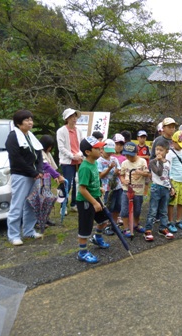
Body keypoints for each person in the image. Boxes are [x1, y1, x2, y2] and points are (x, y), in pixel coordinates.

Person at [5, 110, 44, 246]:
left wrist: (39, 170)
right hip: (21, 175)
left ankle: (29, 231)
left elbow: (39, 155)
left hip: (34, 175)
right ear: (18, 122)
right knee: (17, 205)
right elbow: (16, 159)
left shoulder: (31, 136)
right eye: (26, 120)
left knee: (32, 204)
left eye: (31, 119)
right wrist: (33, 172)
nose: (30, 122)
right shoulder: (13, 137)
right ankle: (14, 235)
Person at [76, 136, 110, 264]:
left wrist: (99, 187)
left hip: (95, 197)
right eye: (97, 148)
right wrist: (94, 202)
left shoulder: (95, 163)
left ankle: (97, 237)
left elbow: (94, 180)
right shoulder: (85, 168)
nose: (101, 150)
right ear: (88, 152)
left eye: (101, 147)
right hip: (86, 201)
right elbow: (82, 189)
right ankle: (82, 252)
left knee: (104, 220)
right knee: (86, 227)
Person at [144, 139, 175, 241]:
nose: (158, 152)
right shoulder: (153, 162)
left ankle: (163, 228)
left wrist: (172, 187)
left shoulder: (168, 162)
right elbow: (159, 173)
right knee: (153, 210)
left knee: (163, 210)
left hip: (165, 189)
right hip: (156, 188)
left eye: (161, 150)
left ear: (167, 151)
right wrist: (160, 162)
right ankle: (148, 230)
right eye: (157, 150)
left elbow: (167, 176)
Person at [57, 108, 84, 213]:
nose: (74, 119)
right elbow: (61, 147)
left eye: (75, 116)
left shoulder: (79, 130)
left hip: (79, 159)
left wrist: (79, 154)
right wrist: (73, 156)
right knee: (67, 183)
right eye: (72, 117)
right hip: (67, 161)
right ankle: (63, 206)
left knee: (78, 182)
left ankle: (74, 204)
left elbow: (82, 145)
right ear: (67, 118)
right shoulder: (61, 131)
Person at [119, 142, 149, 238]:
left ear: (136, 153)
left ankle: (136, 224)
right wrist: (124, 181)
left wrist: (140, 172)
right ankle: (126, 228)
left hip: (138, 191)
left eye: (131, 155)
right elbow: (121, 175)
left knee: (137, 210)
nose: (128, 157)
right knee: (124, 210)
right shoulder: (124, 163)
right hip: (126, 190)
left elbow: (147, 174)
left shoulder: (142, 161)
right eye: (126, 155)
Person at [39, 135, 66, 226]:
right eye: (49, 146)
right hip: (39, 181)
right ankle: (38, 221)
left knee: (47, 199)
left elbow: (53, 167)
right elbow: (45, 166)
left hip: (47, 180)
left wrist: (58, 175)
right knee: (41, 200)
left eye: (51, 147)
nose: (50, 148)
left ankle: (45, 218)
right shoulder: (39, 152)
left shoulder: (47, 153)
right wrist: (57, 176)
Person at [97, 139, 122, 235]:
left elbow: (119, 170)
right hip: (106, 188)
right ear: (102, 149)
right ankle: (106, 226)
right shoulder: (99, 161)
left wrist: (117, 172)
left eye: (111, 152)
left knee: (117, 207)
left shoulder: (114, 159)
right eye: (107, 151)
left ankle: (114, 225)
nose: (109, 154)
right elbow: (100, 175)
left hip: (117, 186)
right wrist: (109, 168)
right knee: (108, 207)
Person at [137, 130, 151, 197]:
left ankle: (145, 194)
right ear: (138, 138)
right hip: (137, 166)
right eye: (141, 137)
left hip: (145, 167)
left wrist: (139, 156)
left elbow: (148, 156)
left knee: (146, 181)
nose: (143, 139)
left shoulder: (147, 147)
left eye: (144, 137)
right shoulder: (136, 147)